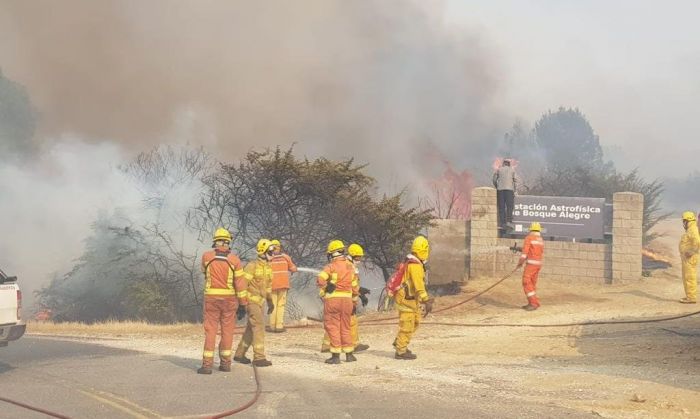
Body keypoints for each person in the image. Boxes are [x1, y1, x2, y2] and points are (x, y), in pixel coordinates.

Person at [198, 228, 249, 374]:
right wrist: (243, 304)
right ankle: (226, 364)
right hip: (229, 301)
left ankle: (207, 365)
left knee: (210, 331)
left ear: (215, 241)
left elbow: (204, 272)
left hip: (211, 299)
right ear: (228, 242)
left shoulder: (206, 257)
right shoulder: (234, 260)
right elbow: (240, 284)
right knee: (227, 331)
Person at [321, 243, 370, 353]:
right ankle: (352, 345)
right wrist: (356, 297)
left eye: (360, 257)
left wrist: (360, 291)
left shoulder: (347, 264)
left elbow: (350, 282)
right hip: (342, 299)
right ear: (351, 255)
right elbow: (346, 283)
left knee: (335, 323)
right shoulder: (348, 265)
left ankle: (328, 345)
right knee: (348, 322)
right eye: (357, 257)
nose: (359, 260)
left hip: (340, 298)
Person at [233, 239, 275, 367]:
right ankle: (259, 357)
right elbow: (242, 285)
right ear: (263, 251)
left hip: (261, 302)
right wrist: (241, 304)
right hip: (251, 302)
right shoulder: (252, 266)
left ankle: (239, 354)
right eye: (271, 251)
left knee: (251, 329)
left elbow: (268, 287)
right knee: (259, 327)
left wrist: (270, 301)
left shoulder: (268, 268)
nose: (273, 254)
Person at [317, 240, 359, 364]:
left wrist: (327, 285)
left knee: (333, 326)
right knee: (346, 326)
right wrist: (354, 303)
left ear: (333, 253)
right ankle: (349, 354)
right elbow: (355, 286)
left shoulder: (330, 266)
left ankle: (335, 356)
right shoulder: (350, 266)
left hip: (333, 301)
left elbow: (320, 279)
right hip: (347, 301)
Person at [393, 236, 434, 360]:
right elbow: (418, 285)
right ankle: (400, 351)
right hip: (406, 301)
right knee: (407, 325)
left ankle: (399, 342)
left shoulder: (414, 262)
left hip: (410, 300)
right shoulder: (415, 266)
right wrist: (426, 300)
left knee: (416, 321)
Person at [267, 239, 297, 333]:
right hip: (283, 286)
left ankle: (272, 326)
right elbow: (293, 268)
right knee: (281, 306)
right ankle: (279, 326)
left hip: (271, 286)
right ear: (279, 247)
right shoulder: (285, 257)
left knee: (273, 306)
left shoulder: (268, 259)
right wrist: (293, 269)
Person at [517, 222, 544, 311]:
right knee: (532, 283)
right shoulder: (540, 239)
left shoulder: (529, 238)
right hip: (538, 265)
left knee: (526, 282)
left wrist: (520, 263)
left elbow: (524, 254)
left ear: (530, 229)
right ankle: (534, 302)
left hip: (531, 265)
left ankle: (533, 303)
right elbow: (536, 251)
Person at [678, 211, 699, 304]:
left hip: (690, 258)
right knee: (687, 277)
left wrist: (691, 251)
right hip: (688, 258)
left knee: (689, 277)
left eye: (684, 221)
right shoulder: (691, 228)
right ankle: (689, 296)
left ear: (687, 220)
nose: (683, 223)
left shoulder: (692, 229)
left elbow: (697, 242)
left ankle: (691, 298)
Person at [492, 159, 519, 228]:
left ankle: (502, 223)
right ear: (509, 164)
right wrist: (515, 190)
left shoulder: (499, 170)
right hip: (509, 190)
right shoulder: (512, 170)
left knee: (501, 207)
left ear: (503, 164)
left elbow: (494, 179)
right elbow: (516, 181)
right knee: (509, 206)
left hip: (500, 190)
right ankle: (509, 222)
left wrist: (497, 186)